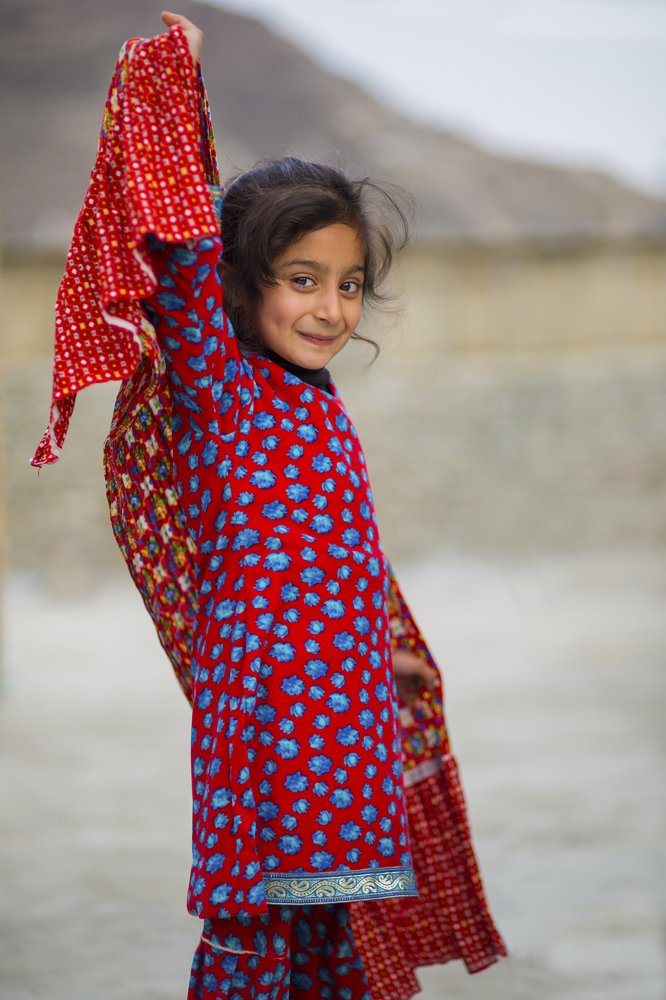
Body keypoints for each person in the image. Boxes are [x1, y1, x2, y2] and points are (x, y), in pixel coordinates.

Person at [33, 10, 506, 999]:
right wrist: (175, 84)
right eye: (302, 280)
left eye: (349, 284)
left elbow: (335, 555)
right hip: (268, 744)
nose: (331, 308)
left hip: (349, 733)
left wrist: (385, 648)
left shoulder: (319, 406)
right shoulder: (225, 395)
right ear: (242, 287)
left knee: (340, 946)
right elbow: (179, 243)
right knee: (253, 947)